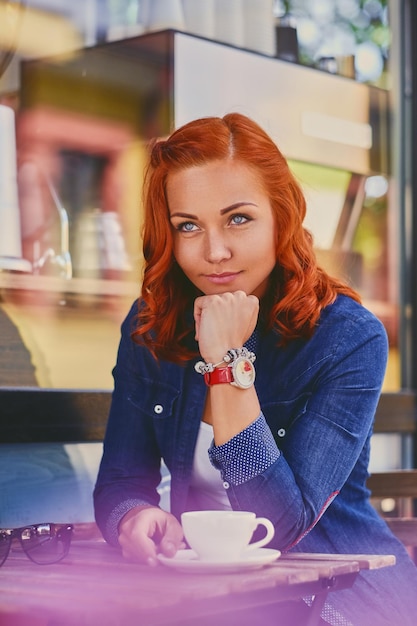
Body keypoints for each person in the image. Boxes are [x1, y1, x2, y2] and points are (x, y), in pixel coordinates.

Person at [94, 112, 417, 625]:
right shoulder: (150, 327)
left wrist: (227, 364)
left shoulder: (347, 337)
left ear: (281, 217)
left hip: (336, 586)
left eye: (238, 219)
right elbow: (119, 482)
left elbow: (278, 525)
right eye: (188, 226)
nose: (214, 252)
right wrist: (133, 518)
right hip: (203, 590)